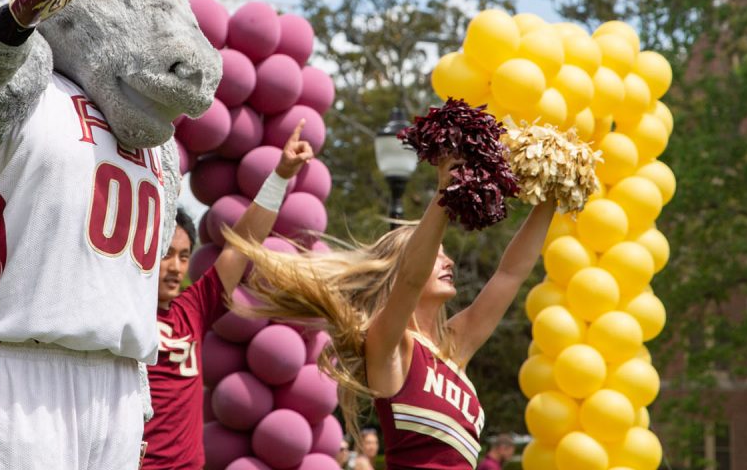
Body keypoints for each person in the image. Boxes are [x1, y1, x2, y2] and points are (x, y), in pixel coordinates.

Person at [226, 155, 557, 469]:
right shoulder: (390, 346)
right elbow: (411, 279)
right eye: (436, 256)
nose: (448, 262)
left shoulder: (456, 348)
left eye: (445, 255)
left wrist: (550, 196)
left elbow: (510, 275)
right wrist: (446, 190)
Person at [142, 124, 314, 470]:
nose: (176, 267)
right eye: (167, 254)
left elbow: (242, 245)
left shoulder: (193, 308)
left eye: (185, 255)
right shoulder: (117, 311)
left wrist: (279, 176)